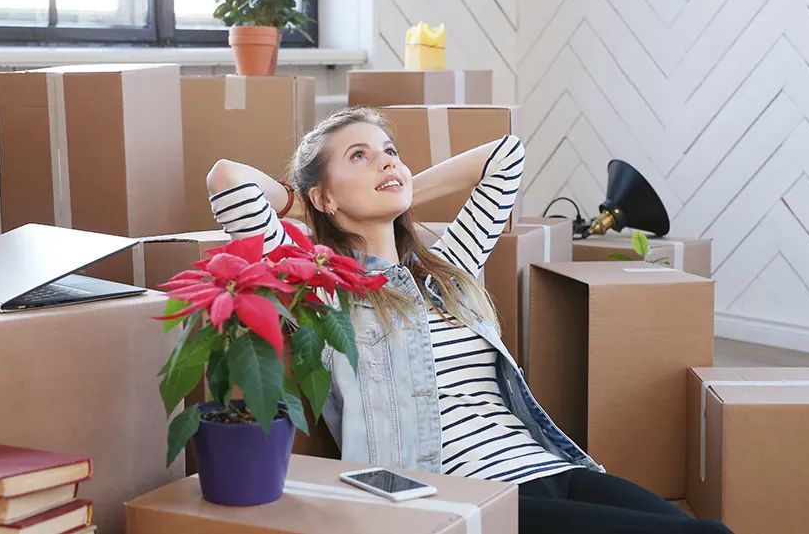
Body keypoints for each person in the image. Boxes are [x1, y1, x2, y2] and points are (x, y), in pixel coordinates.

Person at [206, 107, 731, 534]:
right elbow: (226, 179)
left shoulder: (449, 270)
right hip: (461, 497)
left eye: (391, 152)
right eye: (359, 156)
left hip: (549, 466)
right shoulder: (323, 286)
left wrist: (399, 187)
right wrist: (304, 203)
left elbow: (507, 154)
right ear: (324, 195)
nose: (386, 162)